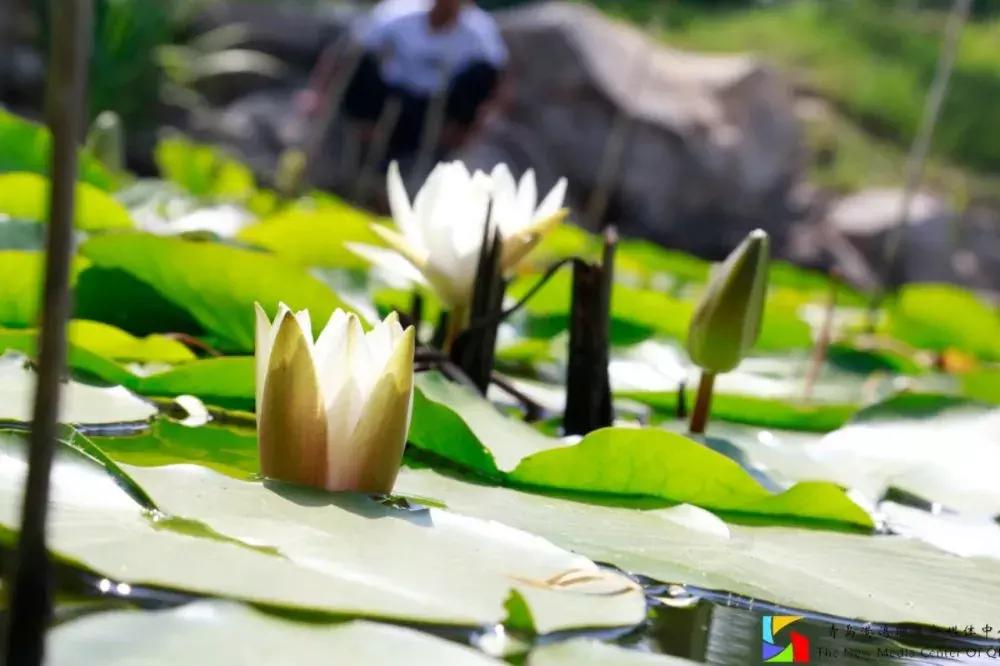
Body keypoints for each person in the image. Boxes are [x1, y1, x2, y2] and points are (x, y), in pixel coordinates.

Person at [337, 0, 509, 157]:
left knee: (481, 73)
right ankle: (365, 126)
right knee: (359, 57)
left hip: (437, 103)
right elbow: (352, 47)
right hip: (390, 93)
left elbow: (499, 75)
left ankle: (453, 136)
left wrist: (489, 114)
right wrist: (318, 93)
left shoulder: (481, 29)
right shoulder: (398, 11)